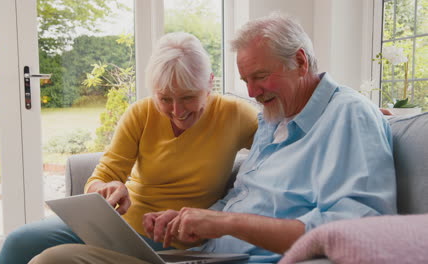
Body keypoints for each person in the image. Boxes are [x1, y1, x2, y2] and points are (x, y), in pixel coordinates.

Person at [29, 12, 397, 264]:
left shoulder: (348, 116)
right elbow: (245, 200)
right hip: (198, 251)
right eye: (246, 81)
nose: (252, 92)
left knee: (54, 261)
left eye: (261, 76)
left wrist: (223, 224)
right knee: (44, 253)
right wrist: (191, 221)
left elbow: (357, 230)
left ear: (301, 61)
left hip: (238, 258)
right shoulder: (276, 120)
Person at [0, 32, 259, 264]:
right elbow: (102, 176)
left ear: (209, 83)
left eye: (188, 97)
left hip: (171, 238)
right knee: (19, 241)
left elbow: (279, 154)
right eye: (164, 98)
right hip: (116, 226)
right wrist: (106, 188)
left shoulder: (236, 115)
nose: (177, 111)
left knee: (55, 259)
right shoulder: (141, 113)